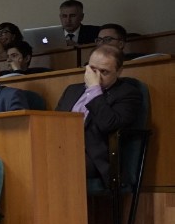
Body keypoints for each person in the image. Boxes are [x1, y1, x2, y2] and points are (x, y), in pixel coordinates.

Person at [55, 45, 141, 186]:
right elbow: (54, 123)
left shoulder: (128, 93)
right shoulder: (72, 90)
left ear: (119, 71)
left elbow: (108, 124)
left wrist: (94, 89)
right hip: (62, 148)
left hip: (95, 158)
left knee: (56, 163)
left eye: (104, 72)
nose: (96, 76)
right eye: (93, 69)